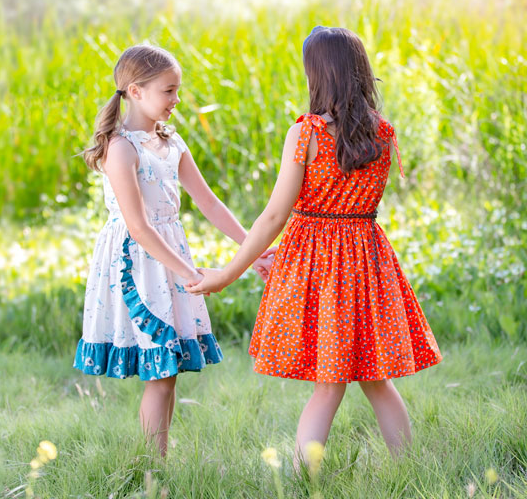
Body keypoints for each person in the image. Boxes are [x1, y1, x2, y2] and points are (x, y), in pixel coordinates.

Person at [187, 26, 442, 469]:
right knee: (376, 380)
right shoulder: (382, 134)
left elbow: (273, 216)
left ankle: (307, 479)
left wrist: (227, 273)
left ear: (318, 76)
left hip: (317, 265)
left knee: (328, 384)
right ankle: (411, 469)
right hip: (366, 262)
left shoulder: (305, 134)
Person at [73, 44, 272, 456]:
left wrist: (252, 252)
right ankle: (151, 468)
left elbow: (209, 202)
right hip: (140, 264)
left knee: (170, 370)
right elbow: (140, 229)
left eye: (176, 90)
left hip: (169, 260)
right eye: (168, 91)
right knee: (160, 371)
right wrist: (191, 274)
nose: (176, 100)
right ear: (136, 91)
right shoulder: (122, 147)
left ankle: (158, 459)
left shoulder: (169, 140)